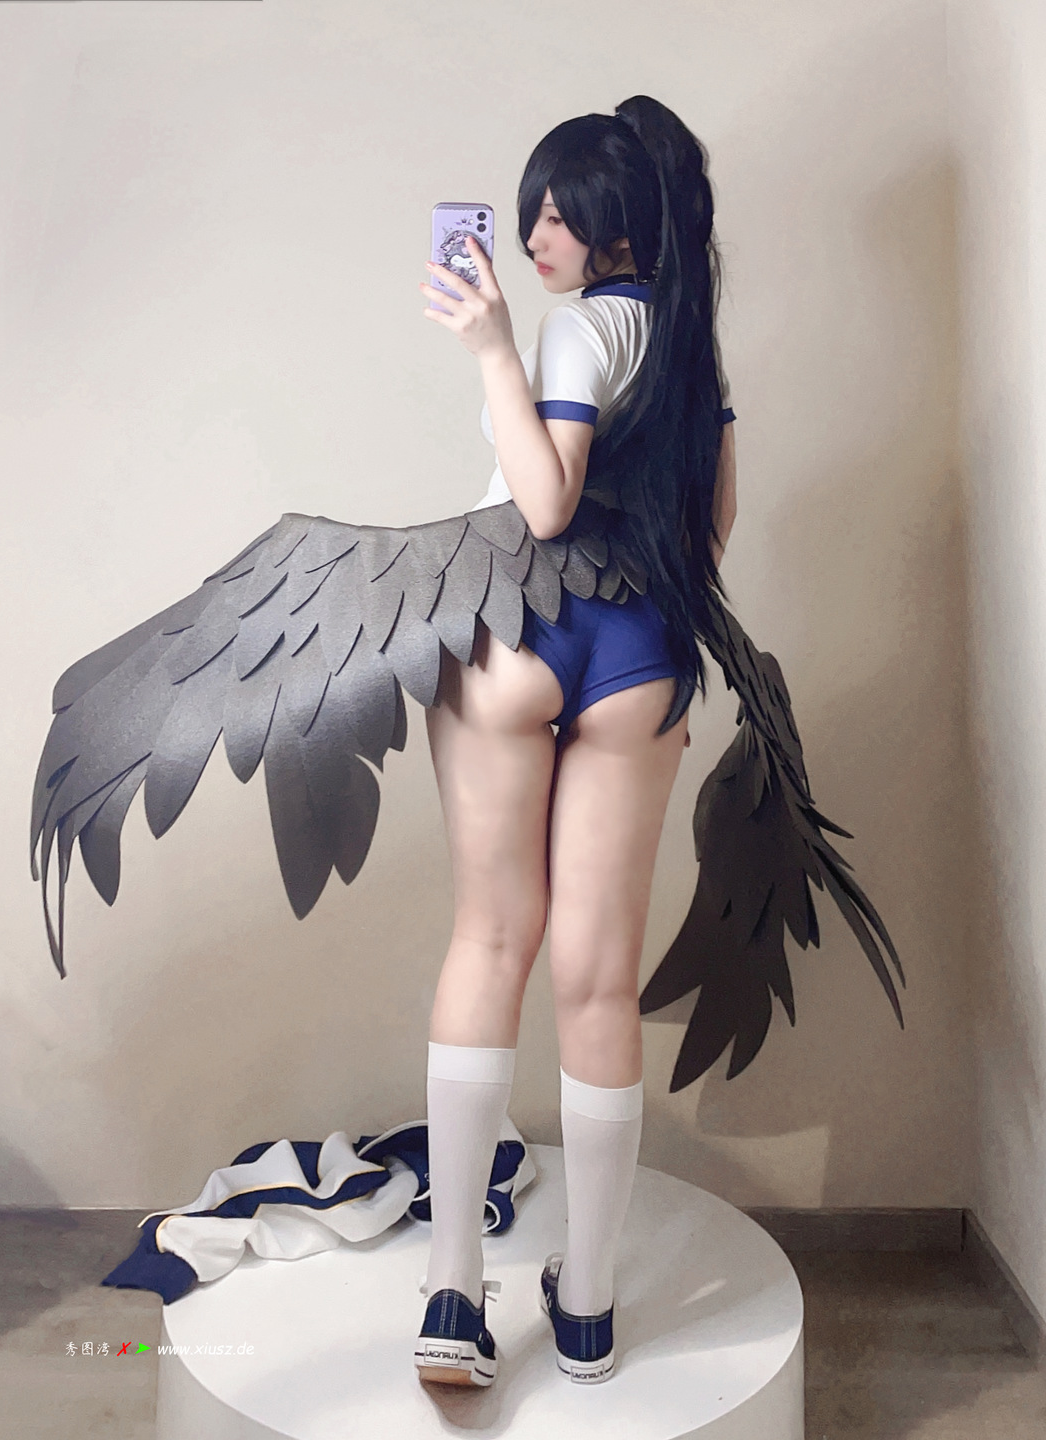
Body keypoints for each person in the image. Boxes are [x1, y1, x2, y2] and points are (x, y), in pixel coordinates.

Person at [411, 95, 737, 1388]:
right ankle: (589, 1310)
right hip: (641, 652)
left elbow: (543, 506)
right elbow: (712, 533)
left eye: (561, 215)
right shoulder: (693, 346)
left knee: (492, 940)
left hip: (522, 629)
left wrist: (494, 347)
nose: (538, 233)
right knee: (599, 983)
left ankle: (454, 1294)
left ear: (616, 231)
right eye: (532, 211)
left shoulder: (570, 327)